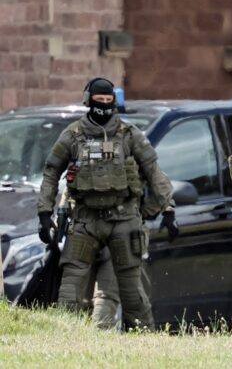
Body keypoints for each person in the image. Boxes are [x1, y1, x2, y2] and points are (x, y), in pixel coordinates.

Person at [36, 77, 174, 330]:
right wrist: (45, 213)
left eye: (108, 101)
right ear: (88, 101)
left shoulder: (129, 135)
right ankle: (65, 341)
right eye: (99, 101)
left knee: (132, 290)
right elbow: (51, 172)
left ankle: (144, 341)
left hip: (124, 220)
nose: (103, 106)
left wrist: (168, 208)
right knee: (70, 289)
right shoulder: (72, 135)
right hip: (85, 221)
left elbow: (154, 171)